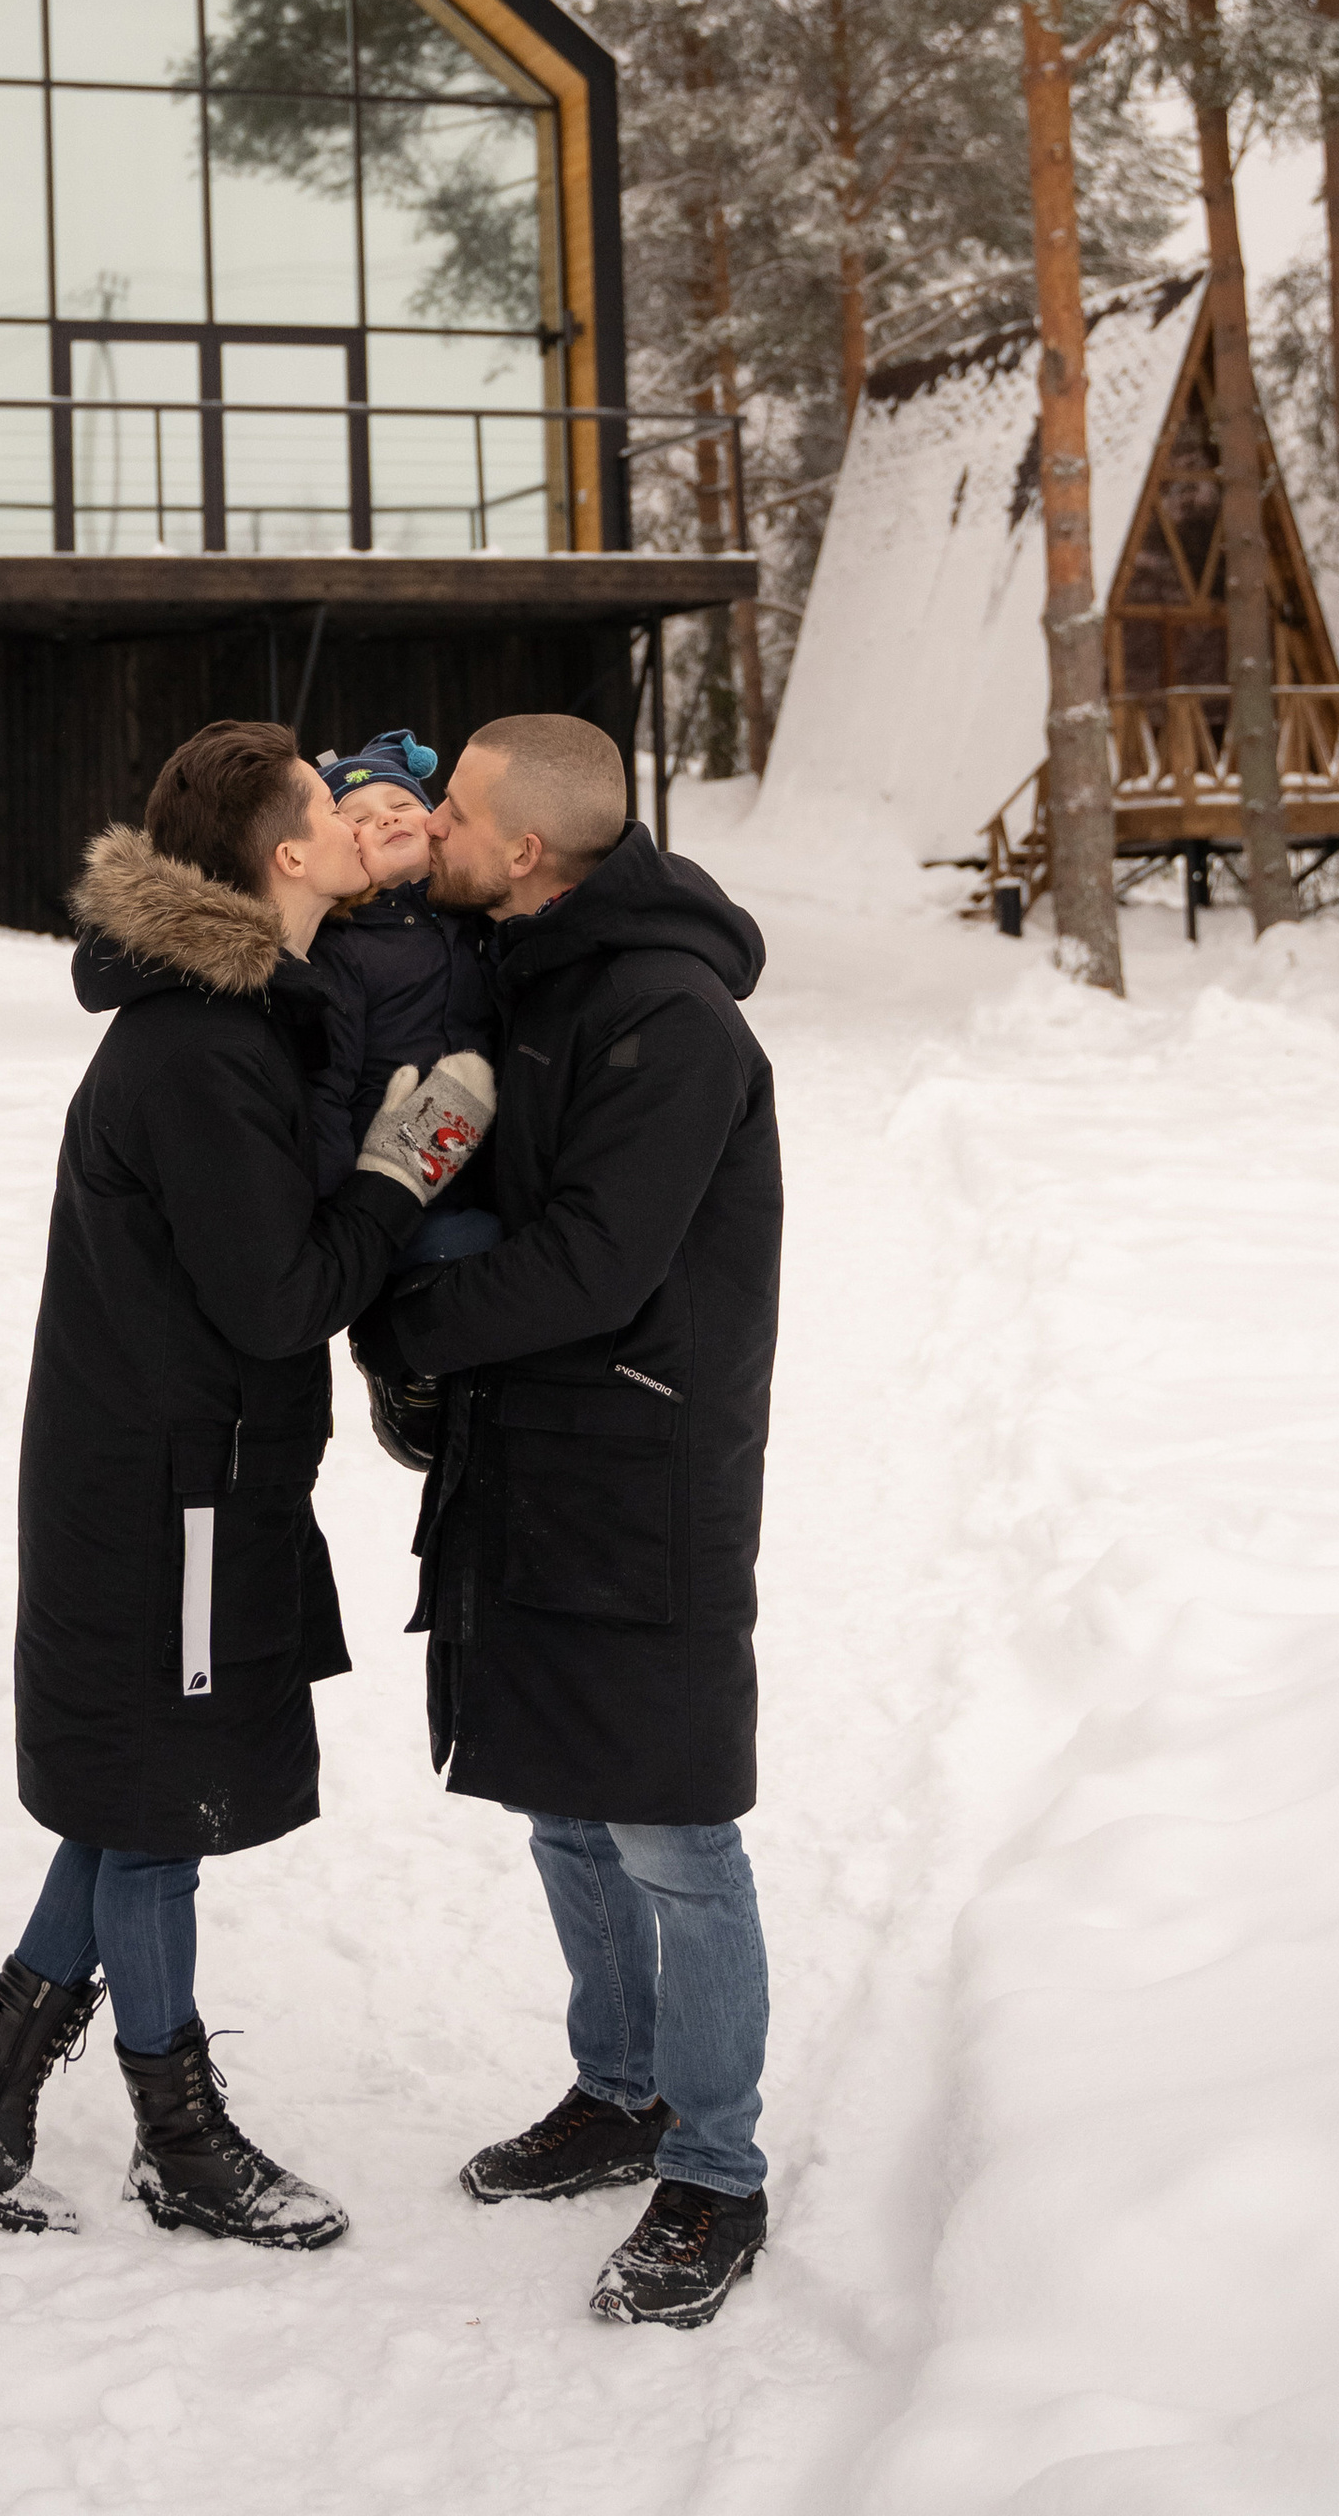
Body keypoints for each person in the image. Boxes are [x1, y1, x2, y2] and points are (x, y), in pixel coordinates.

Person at [0, 718, 495, 2250]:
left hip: (183, 1475)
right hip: (170, 1493)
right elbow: (278, 1298)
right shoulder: (202, 1047)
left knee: (134, 1788)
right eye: (328, 804)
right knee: (159, 1811)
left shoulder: (236, 1016)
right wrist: (397, 1170)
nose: (365, 815)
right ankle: (180, 2136)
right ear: (286, 857)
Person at [354, 712, 782, 2332]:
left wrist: (407, 1337)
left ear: (527, 847)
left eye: (456, 811)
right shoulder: (516, 983)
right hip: (525, 1456)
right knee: (563, 1803)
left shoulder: (671, 1022)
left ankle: (719, 2170)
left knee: (672, 1828)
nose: (437, 832)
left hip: (643, 1480)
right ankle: (619, 2093)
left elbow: (597, 1261)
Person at [310, 726, 501, 1270]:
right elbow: (328, 1080)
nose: (388, 818)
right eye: (360, 820)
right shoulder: (343, 945)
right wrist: (332, 1197)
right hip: (402, 1198)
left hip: (493, 1168)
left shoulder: (477, 918)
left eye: (400, 803)